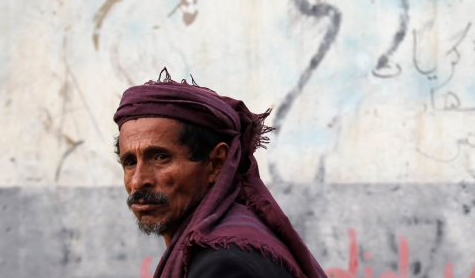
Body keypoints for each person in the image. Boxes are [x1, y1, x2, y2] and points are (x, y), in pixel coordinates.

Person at [114, 69, 327, 278]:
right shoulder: (223, 245)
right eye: (130, 162)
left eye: (161, 157)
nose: (139, 181)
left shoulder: (224, 264)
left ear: (216, 163)